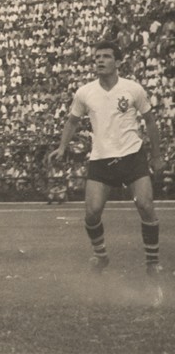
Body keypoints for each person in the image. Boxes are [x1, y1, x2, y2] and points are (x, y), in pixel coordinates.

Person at [47, 41, 165, 277]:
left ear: (118, 62)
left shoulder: (133, 89)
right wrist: (61, 148)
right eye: (97, 57)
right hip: (101, 159)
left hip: (132, 156)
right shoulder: (85, 92)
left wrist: (157, 155)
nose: (100, 60)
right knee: (91, 212)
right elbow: (72, 122)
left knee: (145, 205)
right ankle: (100, 256)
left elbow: (150, 121)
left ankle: (152, 263)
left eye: (106, 56)